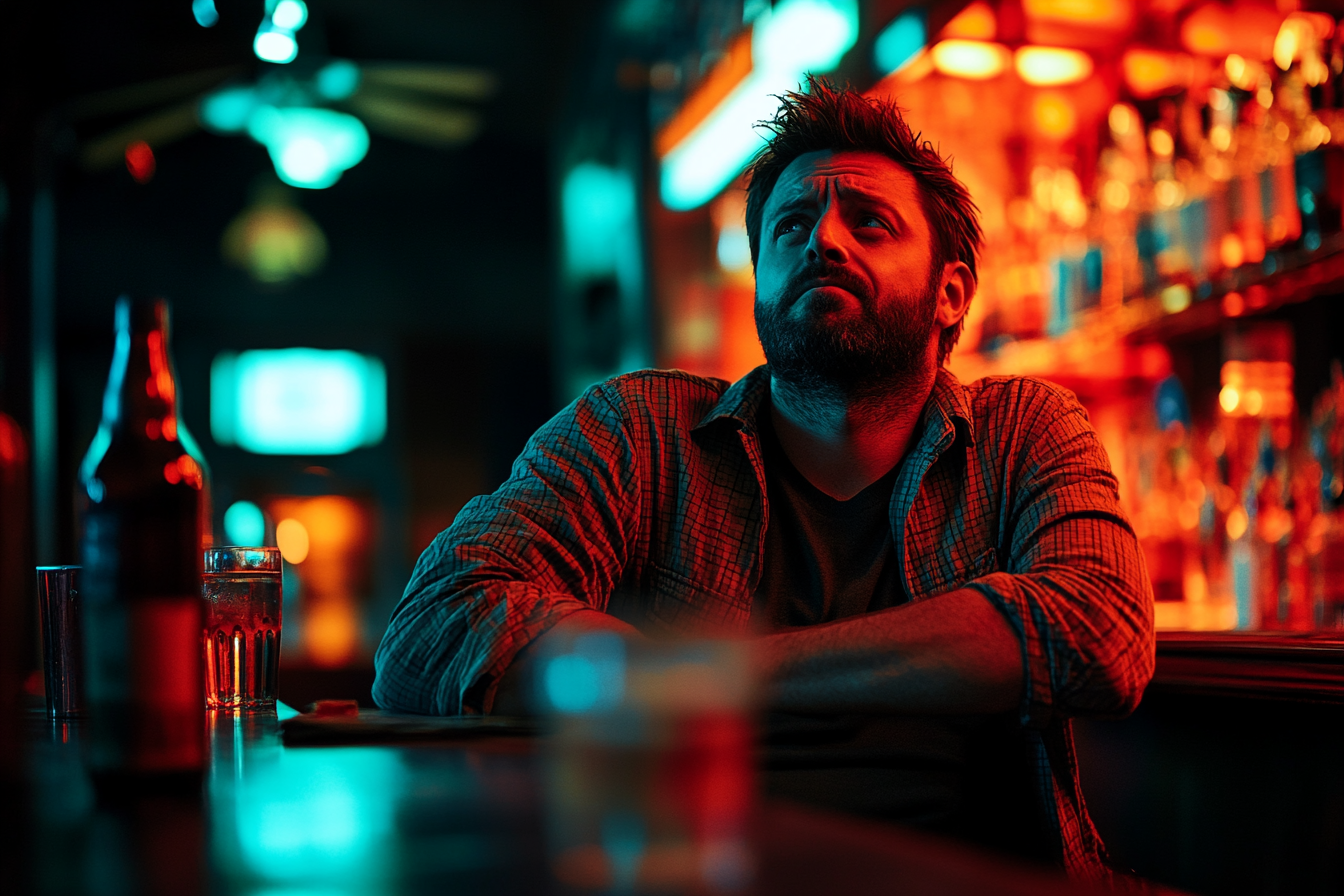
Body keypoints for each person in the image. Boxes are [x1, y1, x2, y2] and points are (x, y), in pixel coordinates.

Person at [374, 78, 1154, 881]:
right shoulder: (641, 431)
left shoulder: (1024, 429)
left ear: (951, 293)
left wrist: (715, 674)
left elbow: (1101, 633)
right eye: (790, 226)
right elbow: (432, 622)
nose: (823, 241)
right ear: (761, 284)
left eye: (871, 224)